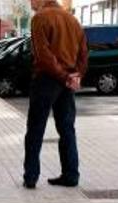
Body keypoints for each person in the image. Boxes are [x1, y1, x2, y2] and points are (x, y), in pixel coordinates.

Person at [22, 0, 88, 189]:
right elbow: (84, 53)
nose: (31, 2)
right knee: (67, 129)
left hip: (47, 79)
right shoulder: (73, 20)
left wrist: (64, 76)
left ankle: (31, 176)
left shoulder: (39, 19)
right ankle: (71, 175)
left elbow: (43, 55)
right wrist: (76, 75)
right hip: (67, 80)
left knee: (35, 128)